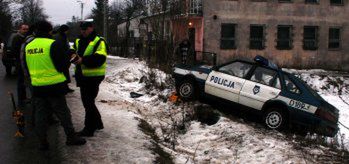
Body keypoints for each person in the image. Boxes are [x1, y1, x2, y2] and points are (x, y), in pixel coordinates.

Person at [22, 20, 86, 150]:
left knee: (40, 115)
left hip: (37, 86)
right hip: (54, 86)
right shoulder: (52, 44)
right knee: (63, 113)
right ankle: (71, 137)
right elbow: (62, 65)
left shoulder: (29, 45)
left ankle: (43, 142)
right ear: (49, 31)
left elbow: (26, 65)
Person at [71, 21, 107, 137]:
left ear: (91, 28)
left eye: (85, 29)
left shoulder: (99, 41)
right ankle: (98, 123)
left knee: (88, 103)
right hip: (82, 76)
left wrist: (83, 60)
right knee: (89, 102)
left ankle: (89, 129)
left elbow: (100, 58)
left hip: (93, 77)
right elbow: (71, 50)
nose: (83, 31)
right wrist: (72, 54)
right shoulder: (78, 40)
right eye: (82, 29)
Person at [11, 24, 29, 108]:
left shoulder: (25, 38)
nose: (25, 30)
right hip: (20, 63)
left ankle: (24, 98)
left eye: (26, 29)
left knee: (24, 81)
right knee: (20, 82)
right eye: (24, 29)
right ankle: (21, 101)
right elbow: (15, 51)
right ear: (20, 29)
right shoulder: (17, 38)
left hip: (24, 63)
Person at [53, 24, 74, 92]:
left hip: (63, 56)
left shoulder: (58, 35)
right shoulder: (60, 36)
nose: (67, 32)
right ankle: (64, 87)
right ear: (65, 30)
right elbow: (63, 47)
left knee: (64, 72)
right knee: (63, 72)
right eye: (67, 30)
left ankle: (65, 87)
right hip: (62, 56)